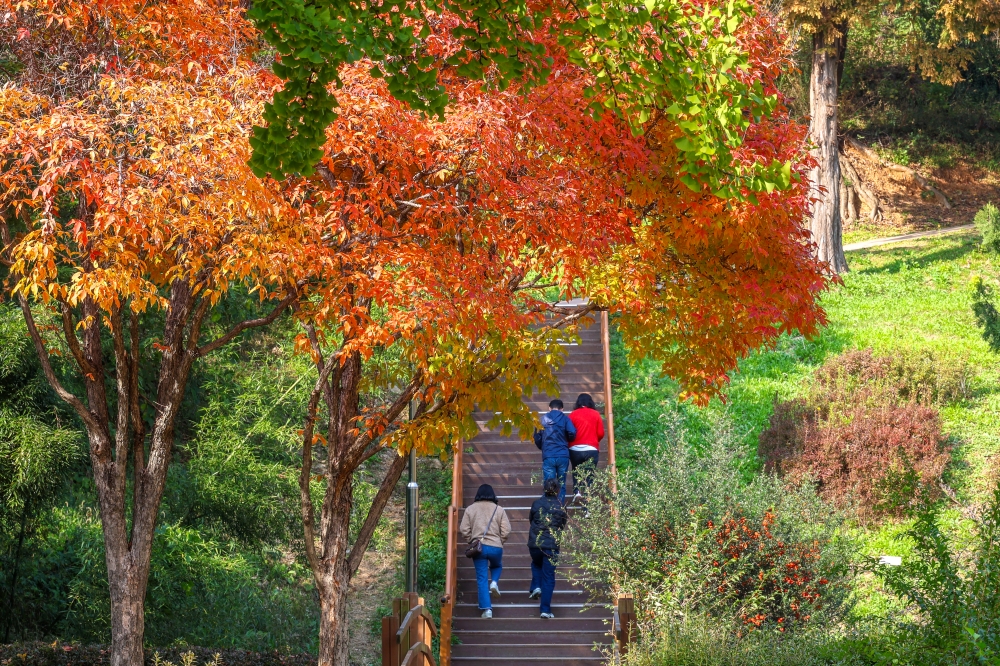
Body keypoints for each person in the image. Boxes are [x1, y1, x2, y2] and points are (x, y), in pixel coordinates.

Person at [460, 483, 511, 618]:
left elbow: (463, 529)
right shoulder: (499, 509)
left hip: (479, 548)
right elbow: (507, 530)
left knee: (482, 578)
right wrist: (500, 541)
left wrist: (471, 540)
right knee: (497, 565)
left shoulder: (470, 509)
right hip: (496, 547)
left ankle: (487, 609)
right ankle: (494, 582)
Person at [527, 477, 568, 619]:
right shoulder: (560, 506)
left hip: (535, 543)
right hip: (551, 546)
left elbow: (531, 520)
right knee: (549, 577)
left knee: (536, 564)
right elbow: (562, 525)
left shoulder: (536, 504)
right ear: (557, 490)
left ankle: (536, 586)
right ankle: (545, 609)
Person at [533, 398, 576, 504]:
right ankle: (560, 507)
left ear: (549, 408)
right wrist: (566, 439)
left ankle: (549, 507)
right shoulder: (565, 419)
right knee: (562, 483)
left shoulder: (542, 419)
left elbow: (537, 437)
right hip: (563, 455)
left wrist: (543, 447)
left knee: (549, 483)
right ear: (562, 409)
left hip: (549, 455)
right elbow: (572, 433)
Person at [568, 393, 605, 505]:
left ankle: (577, 491)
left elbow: (569, 432)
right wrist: (594, 441)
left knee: (576, 470)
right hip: (591, 449)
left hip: (575, 449)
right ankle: (588, 506)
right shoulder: (596, 414)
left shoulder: (572, 415)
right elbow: (601, 433)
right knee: (589, 476)